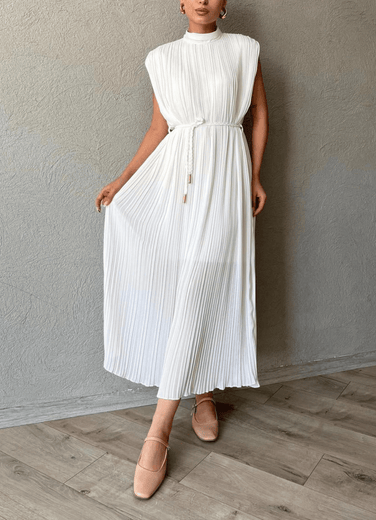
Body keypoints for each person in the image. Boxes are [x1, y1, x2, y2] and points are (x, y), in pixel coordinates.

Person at [95, 0, 268, 500]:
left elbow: (259, 115)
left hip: (227, 180)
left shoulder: (244, 50)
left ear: (224, 4)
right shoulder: (162, 58)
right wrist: (123, 180)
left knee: (205, 280)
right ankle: (203, 393)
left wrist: (255, 177)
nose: (203, 0)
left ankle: (158, 431)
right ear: (181, 3)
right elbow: (159, 128)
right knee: (181, 283)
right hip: (176, 184)